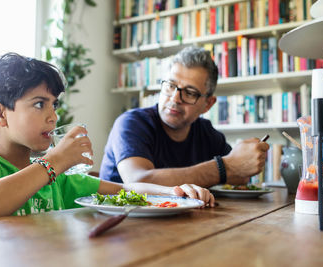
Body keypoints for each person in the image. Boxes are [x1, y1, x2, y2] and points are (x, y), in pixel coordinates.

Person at [0, 53, 214, 222]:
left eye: (55, 105)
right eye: (40, 104)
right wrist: (53, 162)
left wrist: (176, 192)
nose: (53, 117)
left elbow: (126, 190)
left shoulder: (58, 179)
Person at [100, 46, 269, 187]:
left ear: (208, 104)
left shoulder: (206, 133)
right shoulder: (131, 123)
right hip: (119, 222)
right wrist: (226, 168)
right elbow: (138, 182)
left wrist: (247, 161)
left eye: (190, 92)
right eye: (171, 86)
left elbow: (239, 176)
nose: (175, 98)